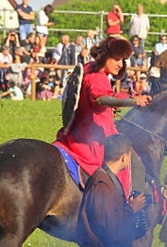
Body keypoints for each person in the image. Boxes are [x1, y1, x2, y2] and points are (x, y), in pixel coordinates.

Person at [54, 37, 151, 183]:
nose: (120, 64)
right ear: (106, 55)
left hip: (81, 132)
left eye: (122, 60)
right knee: (133, 165)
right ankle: (127, 205)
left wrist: (129, 96)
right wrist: (132, 101)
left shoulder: (89, 68)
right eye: (117, 59)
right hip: (94, 140)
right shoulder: (97, 77)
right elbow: (100, 99)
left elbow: (106, 97)